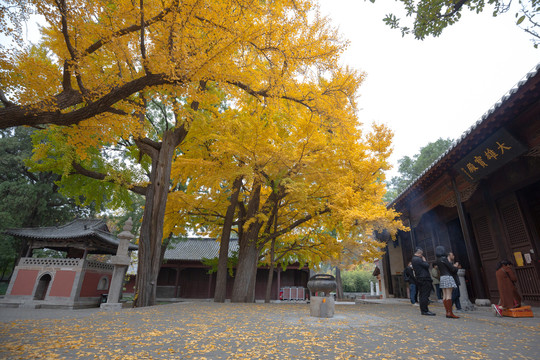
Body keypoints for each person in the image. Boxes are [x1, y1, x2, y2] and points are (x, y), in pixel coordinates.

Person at [435, 246, 459, 319]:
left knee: (444, 295)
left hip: (442, 277)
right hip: (448, 277)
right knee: (449, 295)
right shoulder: (444, 259)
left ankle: (447, 312)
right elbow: (452, 269)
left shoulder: (438, 260)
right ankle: (450, 313)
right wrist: (456, 266)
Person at [411, 247, 435, 316]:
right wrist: (424, 260)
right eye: (421, 254)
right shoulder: (418, 259)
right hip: (424, 278)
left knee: (422, 295)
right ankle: (425, 310)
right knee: (425, 295)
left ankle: (424, 310)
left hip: (419, 278)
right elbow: (427, 265)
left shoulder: (413, 259)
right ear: (419, 253)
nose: (422, 255)